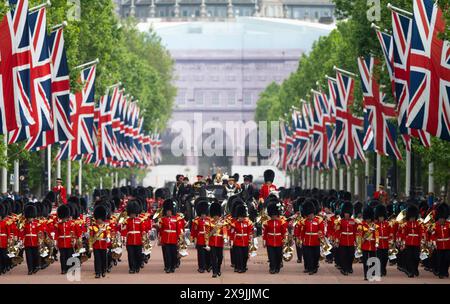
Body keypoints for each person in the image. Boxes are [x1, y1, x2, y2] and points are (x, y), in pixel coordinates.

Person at [298, 199, 324, 275]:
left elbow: (322, 230)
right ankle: (310, 268)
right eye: (309, 215)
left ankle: (314, 267)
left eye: (312, 214)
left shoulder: (319, 220)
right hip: (307, 241)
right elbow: (302, 232)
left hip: (316, 241)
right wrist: (301, 239)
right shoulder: (304, 222)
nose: (310, 216)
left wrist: (321, 235)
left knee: (316, 256)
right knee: (308, 256)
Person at [400, 204, 425, 278]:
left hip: (416, 243)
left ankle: (415, 268)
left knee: (416, 257)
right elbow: (403, 234)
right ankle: (410, 271)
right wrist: (403, 243)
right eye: (411, 217)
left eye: (413, 217)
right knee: (409, 257)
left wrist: (422, 241)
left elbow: (421, 233)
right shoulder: (405, 225)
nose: (412, 219)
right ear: (408, 217)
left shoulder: (419, 224)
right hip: (408, 243)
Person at [263, 200, 287, 274]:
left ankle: (277, 267)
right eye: (272, 215)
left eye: (275, 215)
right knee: (271, 256)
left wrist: (285, 239)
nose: (273, 217)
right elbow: (265, 232)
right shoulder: (267, 223)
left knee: (278, 256)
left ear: (277, 215)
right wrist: (264, 241)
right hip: (270, 241)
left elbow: (284, 232)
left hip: (279, 241)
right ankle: (272, 268)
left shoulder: (281, 222)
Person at [121, 200, 144, 274]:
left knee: (138, 255)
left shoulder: (139, 221)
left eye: (134, 213)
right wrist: (123, 238)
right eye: (131, 213)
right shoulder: (126, 221)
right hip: (130, 241)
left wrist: (143, 239)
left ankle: (137, 266)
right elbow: (124, 231)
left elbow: (142, 231)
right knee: (131, 255)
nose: (133, 215)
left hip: (138, 240)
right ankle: (132, 268)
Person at [159, 199, 182, 273]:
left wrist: (179, 239)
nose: (168, 212)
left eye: (170, 211)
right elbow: (161, 230)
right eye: (167, 211)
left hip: (174, 238)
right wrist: (160, 238)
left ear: (172, 211)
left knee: (173, 253)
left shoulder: (176, 219)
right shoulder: (162, 219)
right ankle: (167, 267)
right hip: (165, 239)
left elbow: (178, 230)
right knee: (166, 254)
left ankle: (173, 266)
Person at [230, 202, 253, 273]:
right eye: (240, 217)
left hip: (245, 241)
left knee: (245, 256)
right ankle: (239, 267)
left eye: (242, 217)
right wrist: (231, 241)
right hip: (237, 241)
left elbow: (250, 232)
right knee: (239, 256)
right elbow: (232, 233)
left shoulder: (248, 223)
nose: (241, 218)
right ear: (238, 216)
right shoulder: (234, 224)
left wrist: (251, 240)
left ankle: (243, 266)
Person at [335, 202, 357, 276]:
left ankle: (349, 267)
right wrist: (337, 240)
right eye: (345, 213)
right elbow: (338, 231)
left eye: (348, 213)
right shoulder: (340, 222)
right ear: (343, 213)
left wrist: (355, 240)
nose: (346, 214)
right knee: (343, 255)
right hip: (343, 240)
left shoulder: (353, 221)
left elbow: (354, 231)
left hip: (351, 240)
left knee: (351, 255)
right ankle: (344, 269)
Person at [90, 205, 111, 278]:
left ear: (103, 218)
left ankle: (103, 271)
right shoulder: (93, 227)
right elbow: (91, 237)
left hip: (103, 244)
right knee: (97, 259)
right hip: (96, 245)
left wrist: (108, 237)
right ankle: (97, 272)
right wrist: (90, 246)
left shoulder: (105, 227)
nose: (99, 220)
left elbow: (108, 232)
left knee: (104, 259)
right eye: (98, 218)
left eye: (100, 218)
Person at [191, 198, 211, 273]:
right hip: (200, 239)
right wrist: (194, 239)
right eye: (202, 214)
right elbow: (194, 231)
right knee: (201, 255)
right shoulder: (196, 221)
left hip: (208, 239)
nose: (203, 216)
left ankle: (208, 266)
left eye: (204, 214)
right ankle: (201, 267)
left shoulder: (209, 220)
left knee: (208, 254)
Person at [21, 204, 42, 275]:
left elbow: (40, 233)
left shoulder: (37, 224)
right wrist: (21, 240)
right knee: (28, 257)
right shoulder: (24, 224)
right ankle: (30, 269)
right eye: (29, 218)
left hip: (35, 242)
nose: (30, 219)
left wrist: (40, 241)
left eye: (31, 217)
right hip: (27, 243)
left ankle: (36, 266)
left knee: (36, 256)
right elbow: (22, 233)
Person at [358, 207, 378, 281]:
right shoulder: (361, 224)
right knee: (365, 261)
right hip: (365, 245)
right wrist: (359, 244)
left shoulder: (374, 225)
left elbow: (377, 235)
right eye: (367, 218)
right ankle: (366, 275)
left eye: (369, 218)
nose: (368, 220)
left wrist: (377, 243)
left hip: (372, 245)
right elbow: (359, 235)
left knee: (373, 260)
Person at [430, 203, 450, 279]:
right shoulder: (435, 225)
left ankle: (445, 271)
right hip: (439, 245)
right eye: (440, 218)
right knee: (440, 260)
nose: (441, 220)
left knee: (447, 259)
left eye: (442, 218)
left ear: (445, 218)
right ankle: (441, 273)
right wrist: (434, 243)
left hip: (448, 245)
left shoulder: (449, 225)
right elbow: (433, 235)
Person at [55, 204, 75, 275]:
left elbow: (72, 233)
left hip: (69, 242)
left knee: (69, 256)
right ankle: (63, 269)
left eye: (64, 218)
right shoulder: (58, 225)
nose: (63, 219)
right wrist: (55, 241)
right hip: (61, 243)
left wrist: (73, 240)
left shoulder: (71, 224)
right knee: (62, 257)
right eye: (62, 218)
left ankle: (69, 268)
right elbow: (57, 234)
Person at [208, 201, 227, 278]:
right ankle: (214, 272)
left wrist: (225, 238)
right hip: (212, 242)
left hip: (219, 242)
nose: (216, 217)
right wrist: (213, 231)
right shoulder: (209, 223)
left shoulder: (222, 223)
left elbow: (225, 231)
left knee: (220, 257)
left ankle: (218, 268)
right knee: (213, 257)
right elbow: (208, 234)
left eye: (217, 215)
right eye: (214, 215)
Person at [375, 204, 392, 277]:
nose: (381, 218)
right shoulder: (375, 224)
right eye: (379, 217)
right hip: (378, 244)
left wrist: (390, 241)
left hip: (385, 243)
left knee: (385, 258)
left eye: (382, 217)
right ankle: (380, 271)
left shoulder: (387, 224)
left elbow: (390, 233)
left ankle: (383, 268)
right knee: (379, 258)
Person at [0, 204, 10, 275]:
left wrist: (9, 240)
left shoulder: (5, 223)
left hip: (4, 241)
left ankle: (4, 266)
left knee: (4, 256)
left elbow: (8, 233)